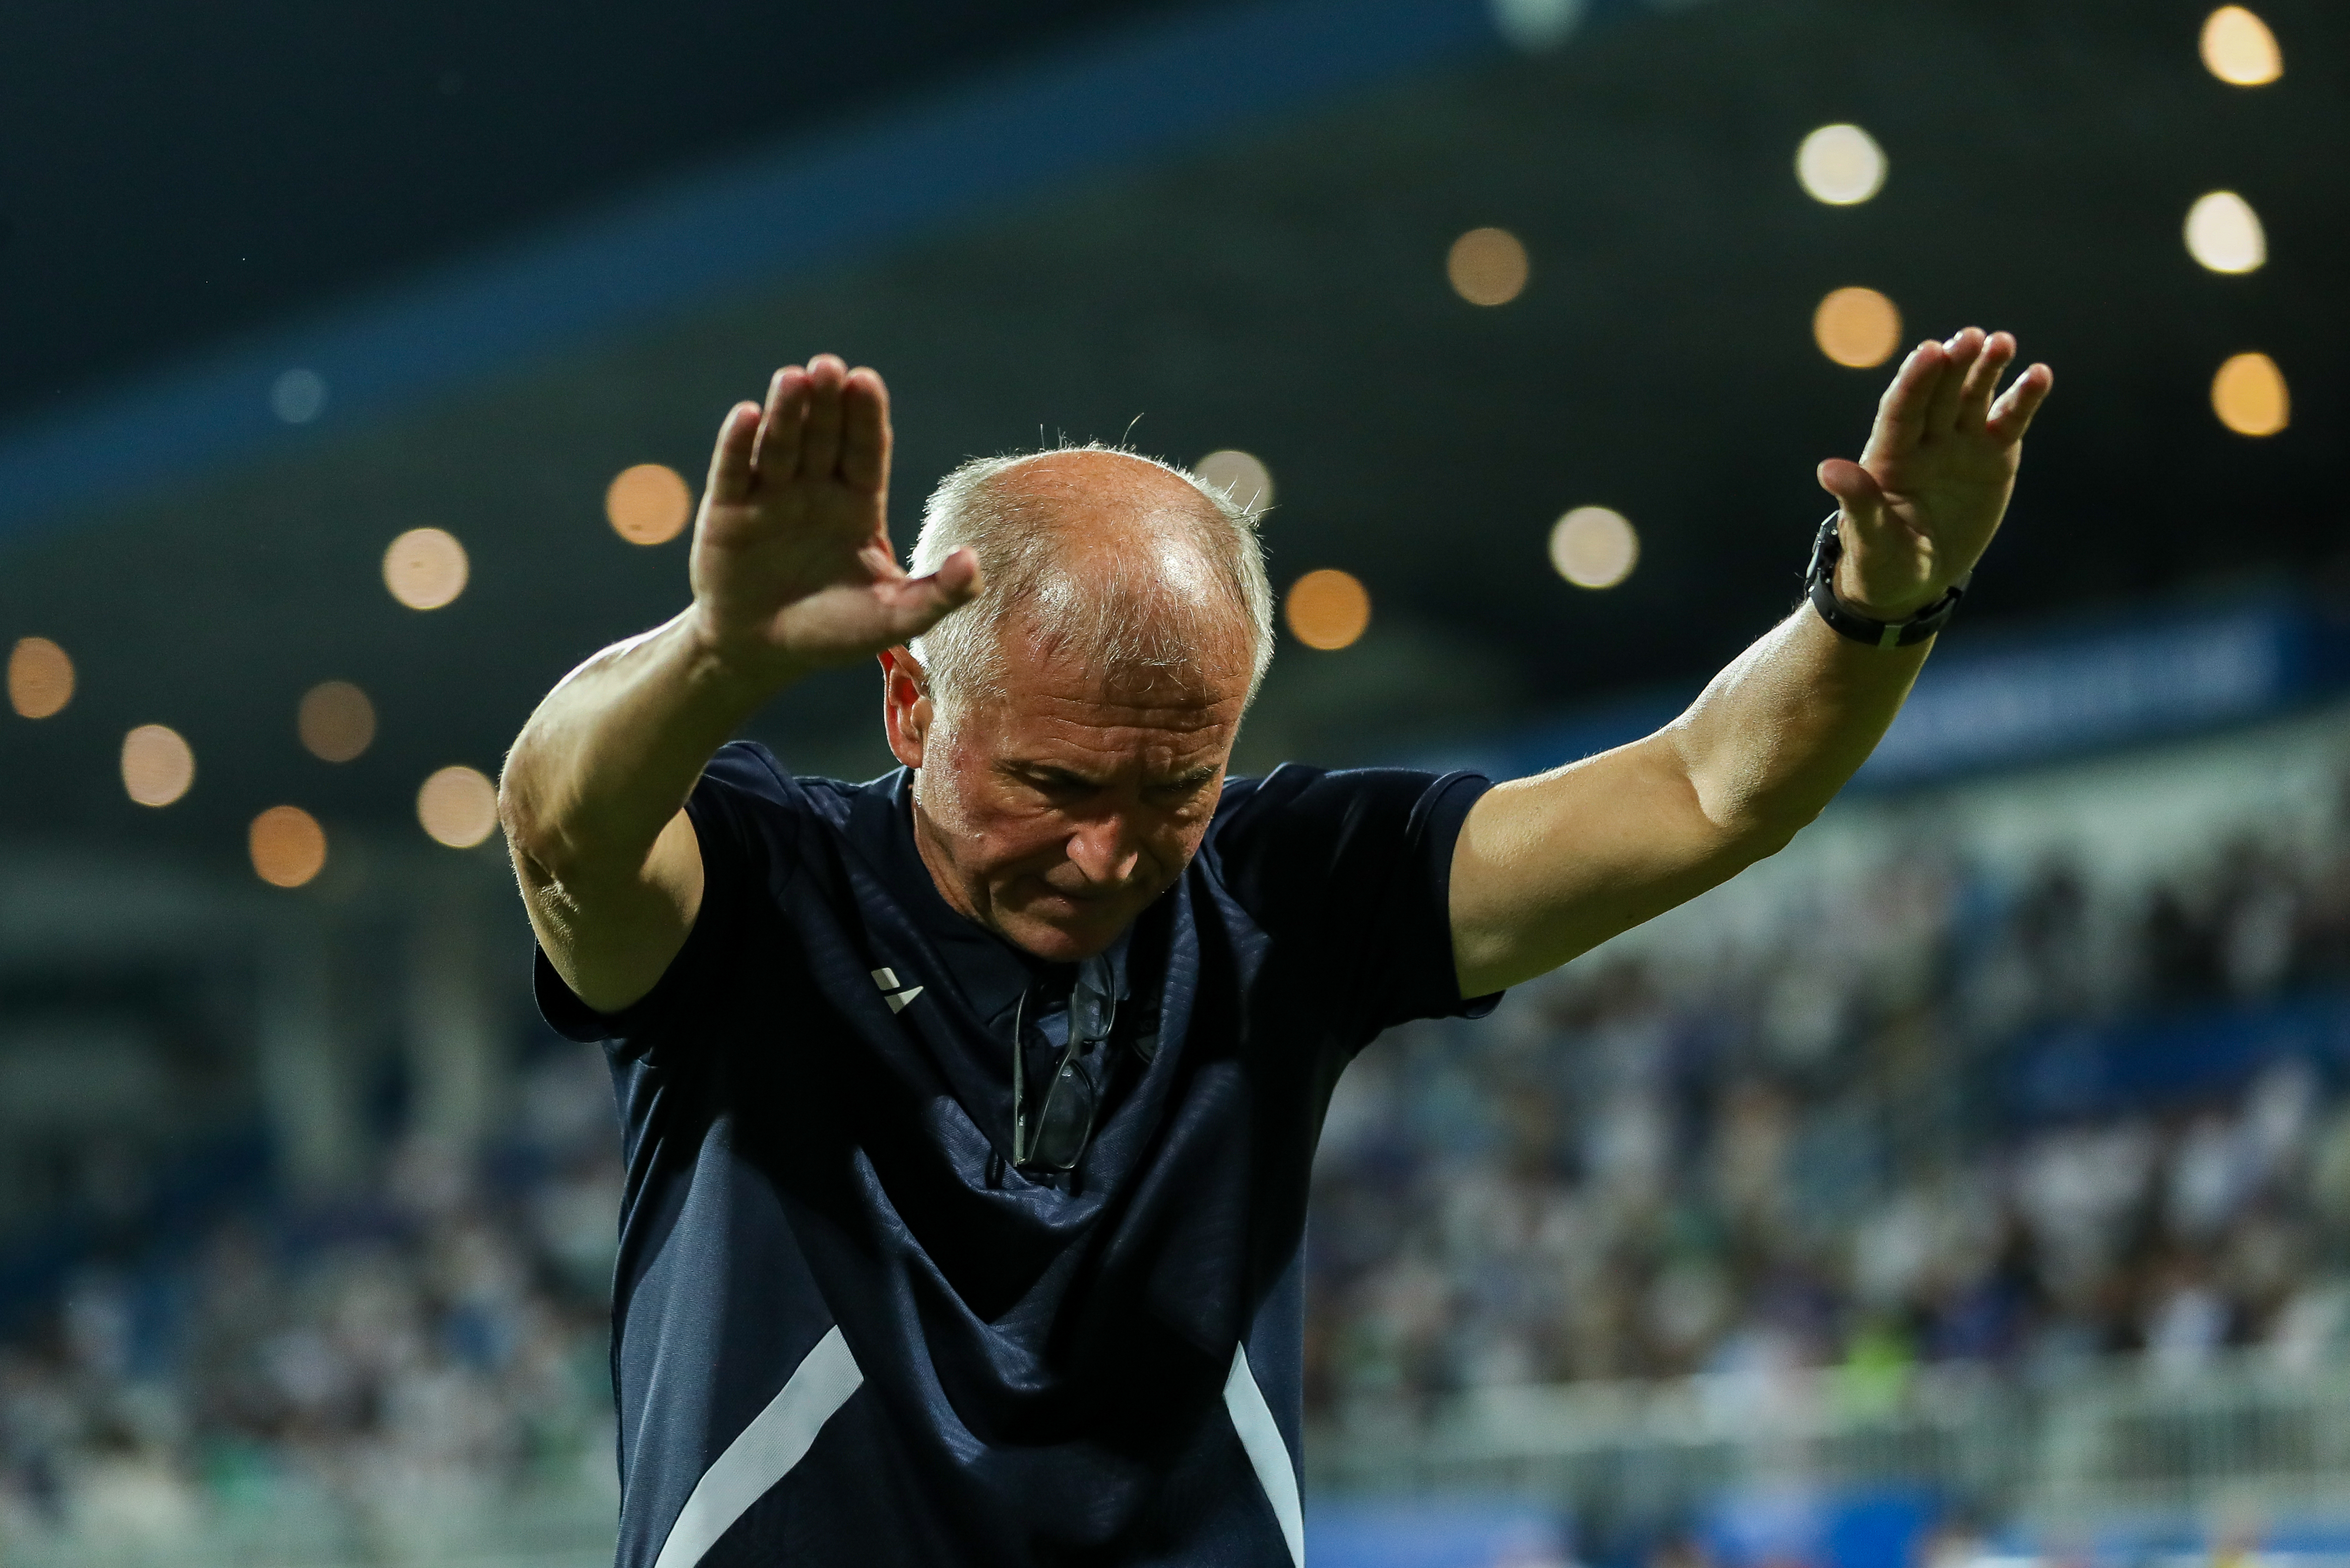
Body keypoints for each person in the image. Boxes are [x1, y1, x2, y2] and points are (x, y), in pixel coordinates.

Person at [499, 333, 2051, 1567]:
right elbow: (563, 830)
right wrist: (714, 656)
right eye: (1054, 785)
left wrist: (1880, 603)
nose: (1111, 855)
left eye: (1175, 788)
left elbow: (1707, 791)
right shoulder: (760, 892)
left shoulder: (1287, 894)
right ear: (912, 703)